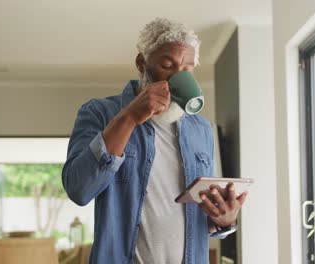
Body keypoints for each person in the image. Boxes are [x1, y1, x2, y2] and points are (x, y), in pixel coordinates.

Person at [62, 18, 247, 264]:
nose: (178, 77)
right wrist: (128, 118)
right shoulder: (100, 113)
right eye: (167, 65)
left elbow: (195, 219)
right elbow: (79, 189)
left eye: (188, 68)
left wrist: (224, 221)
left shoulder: (201, 128)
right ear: (142, 64)